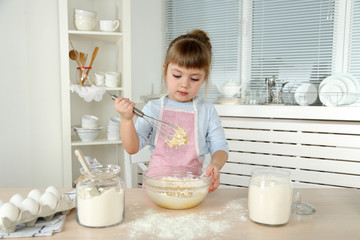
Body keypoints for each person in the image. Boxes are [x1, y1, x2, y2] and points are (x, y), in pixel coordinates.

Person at [114, 29, 229, 192]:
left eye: (194, 78)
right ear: (165, 70)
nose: (184, 84)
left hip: (192, 188)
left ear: (204, 78)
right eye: (177, 75)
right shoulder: (153, 108)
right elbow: (132, 148)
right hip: (156, 189)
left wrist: (215, 164)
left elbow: (220, 146)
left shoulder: (207, 111)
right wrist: (126, 120)